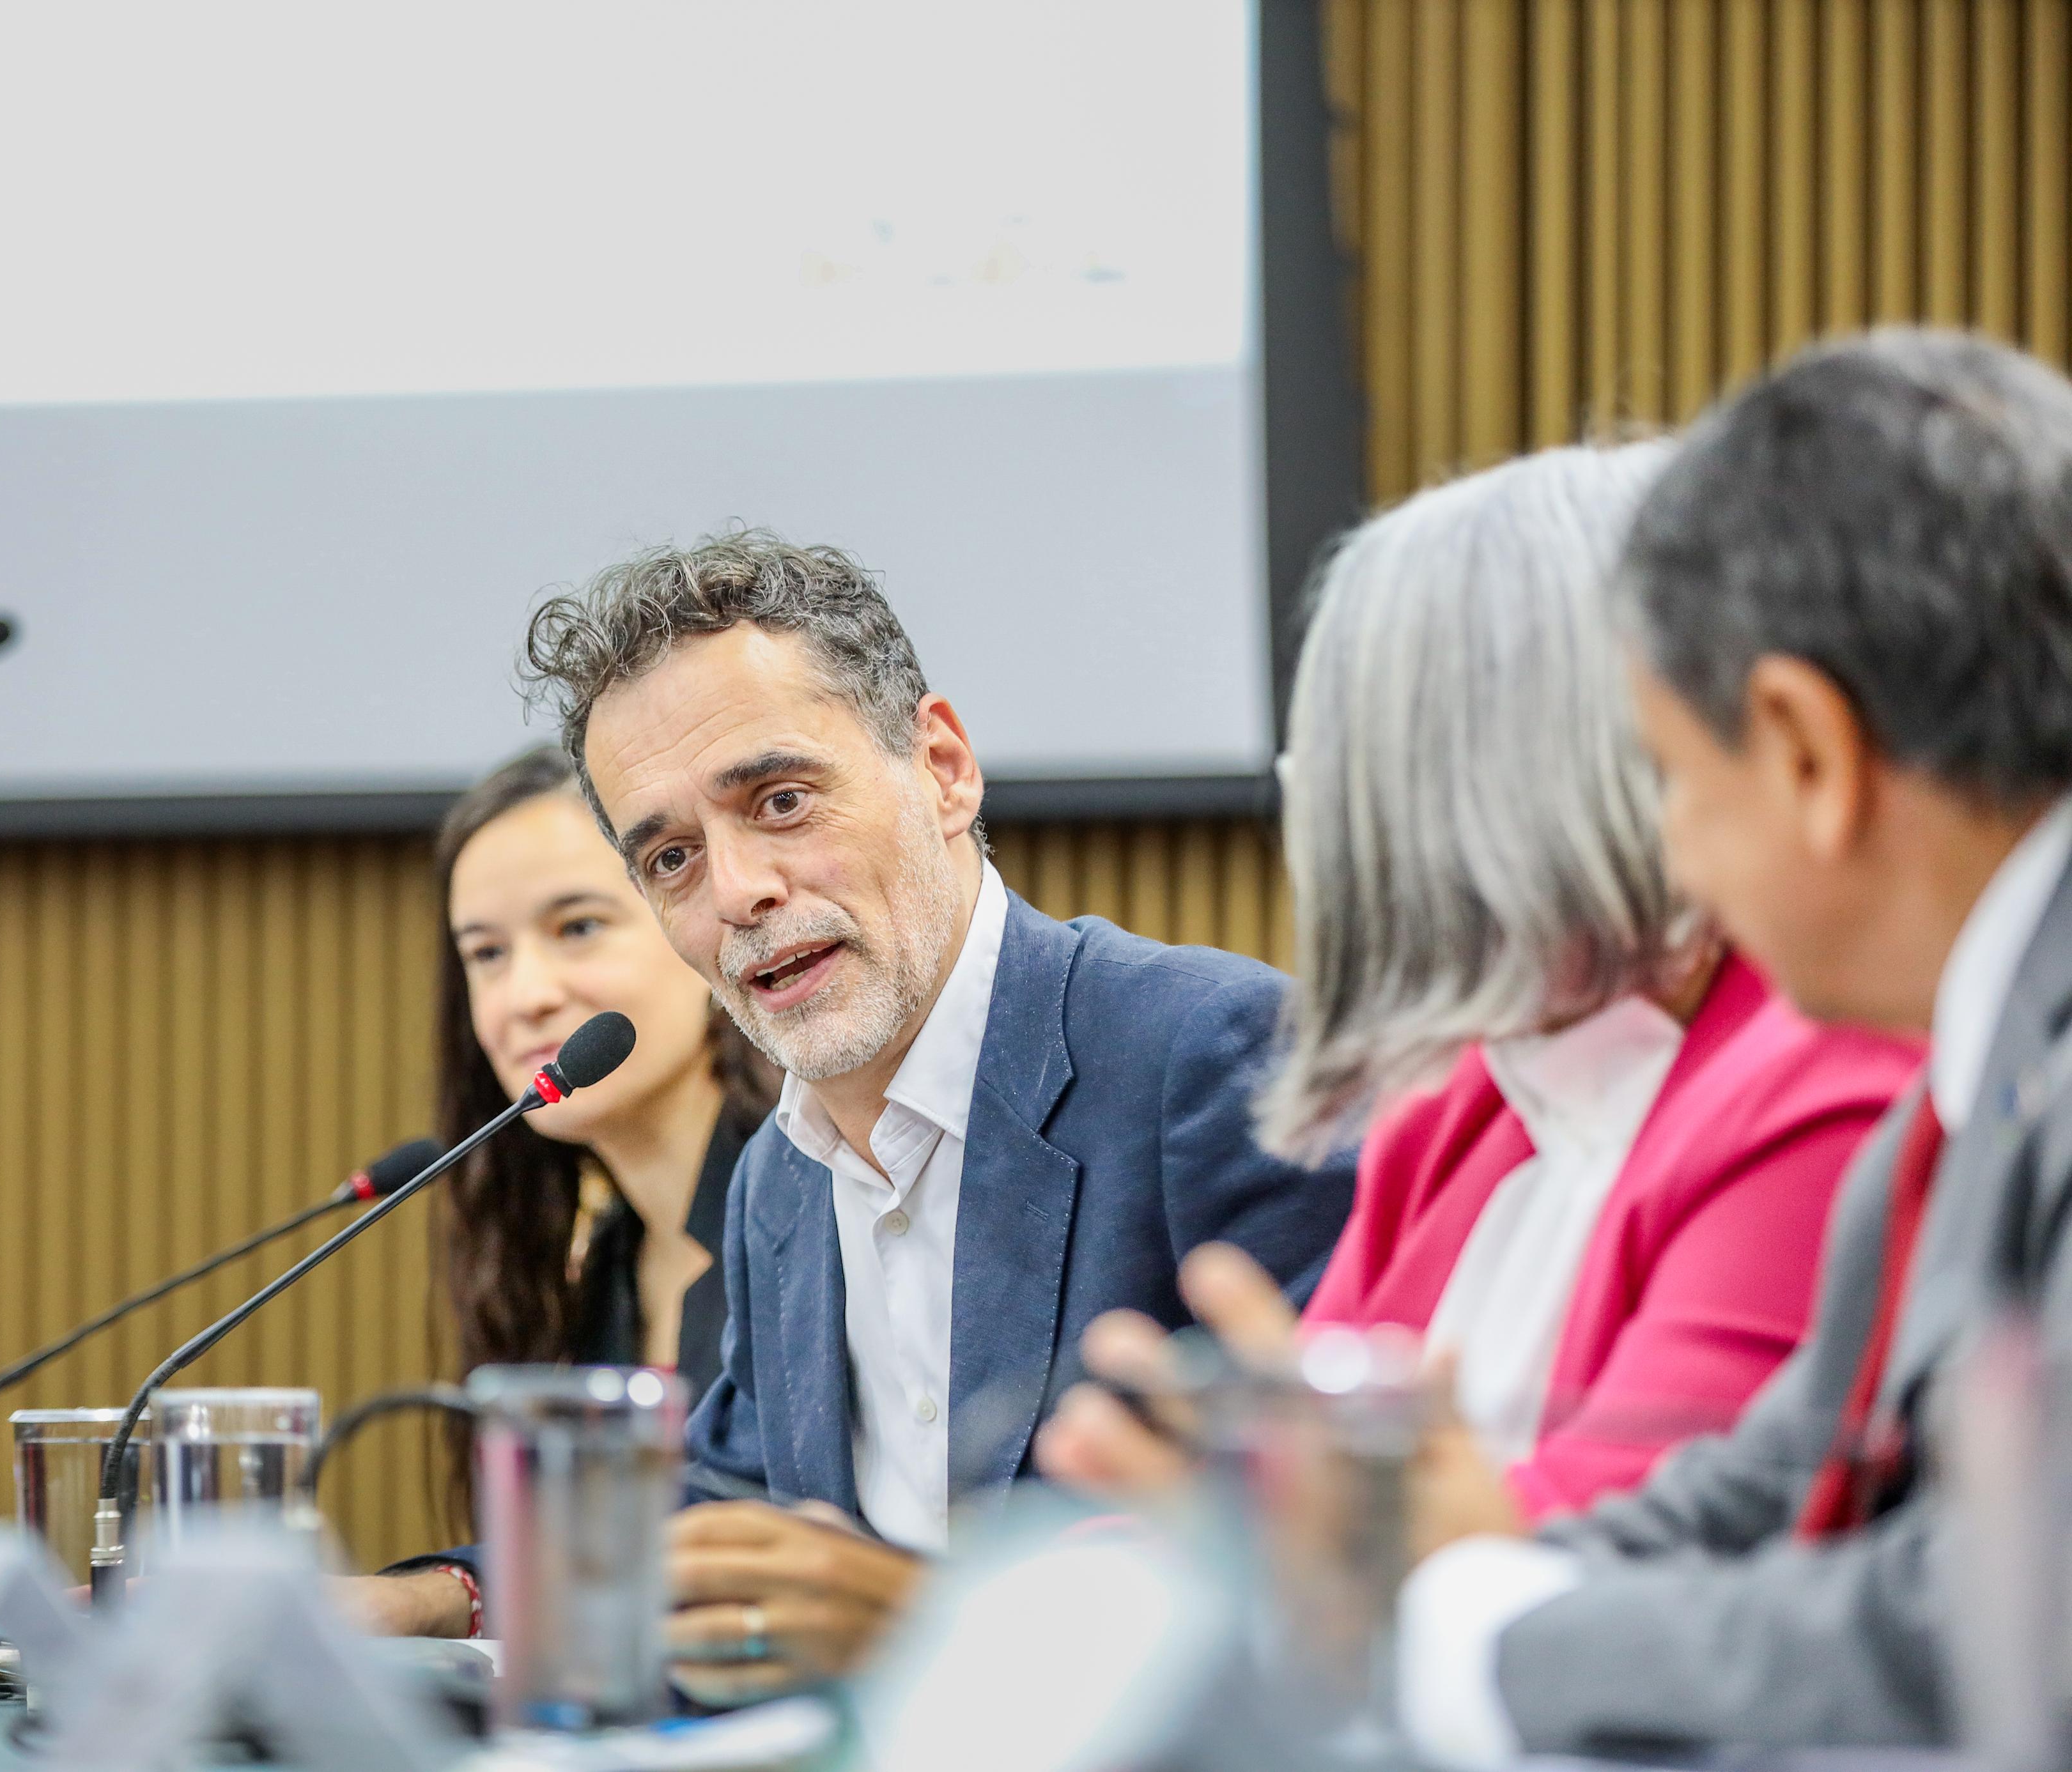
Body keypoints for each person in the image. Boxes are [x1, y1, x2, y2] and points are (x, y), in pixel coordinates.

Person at [1044, 329, 2072, 1760]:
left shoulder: (1893, 1073)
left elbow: (1985, 1631)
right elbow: (1760, 1483)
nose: (1671, 858)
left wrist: (1468, 1607)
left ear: (1806, 754)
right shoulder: (1976, 1066)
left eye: (1669, 778)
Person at [516, 529, 1357, 1704]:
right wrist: (445, 1599)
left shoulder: (1205, 1053)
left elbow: (1355, 1573)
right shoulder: (779, 1182)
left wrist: (932, 1624)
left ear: (945, 766)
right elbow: (722, 1522)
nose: (738, 890)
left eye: (783, 799)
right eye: (669, 857)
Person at [1041, 443, 1917, 1520]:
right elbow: (1296, 1505)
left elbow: (1654, 1565)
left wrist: (1317, 1542)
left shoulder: (1827, 1089)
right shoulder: (1465, 1099)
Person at [355, 746, 778, 1640]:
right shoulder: (604, 1262)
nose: (525, 996)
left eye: (579, 927)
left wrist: (428, 1601)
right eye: (487, 953)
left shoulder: (815, 1213)